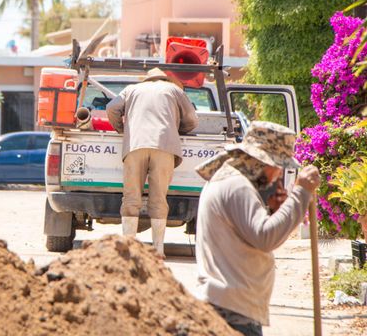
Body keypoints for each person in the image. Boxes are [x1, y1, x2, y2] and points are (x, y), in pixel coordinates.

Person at [194, 121, 320, 336]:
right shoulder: (237, 186)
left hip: (228, 306)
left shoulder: (229, 180)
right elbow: (266, 237)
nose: (278, 175)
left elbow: (250, 234)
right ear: (264, 162)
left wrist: (277, 212)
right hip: (233, 311)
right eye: (279, 166)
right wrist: (301, 193)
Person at [106, 67, 198, 257]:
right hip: (164, 146)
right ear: (165, 79)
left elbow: (111, 108)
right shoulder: (174, 90)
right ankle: (158, 250)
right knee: (158, 198)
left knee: (131, 198)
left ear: (146, 80)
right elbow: (192, 119)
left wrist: (121, 130)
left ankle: (129, 249)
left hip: (135, 145)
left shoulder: (131, 89)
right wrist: (178, 130)